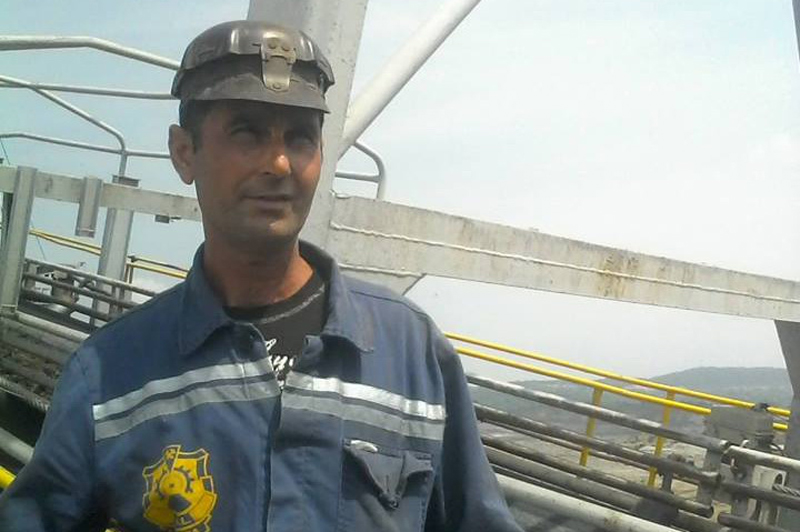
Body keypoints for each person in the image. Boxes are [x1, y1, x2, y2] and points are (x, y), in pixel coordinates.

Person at [0, 20, 523, 532]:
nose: (279, 163)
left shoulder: (412, 351)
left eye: (300, 138)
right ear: (184, 152)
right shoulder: (106, 374)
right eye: (246, 133)